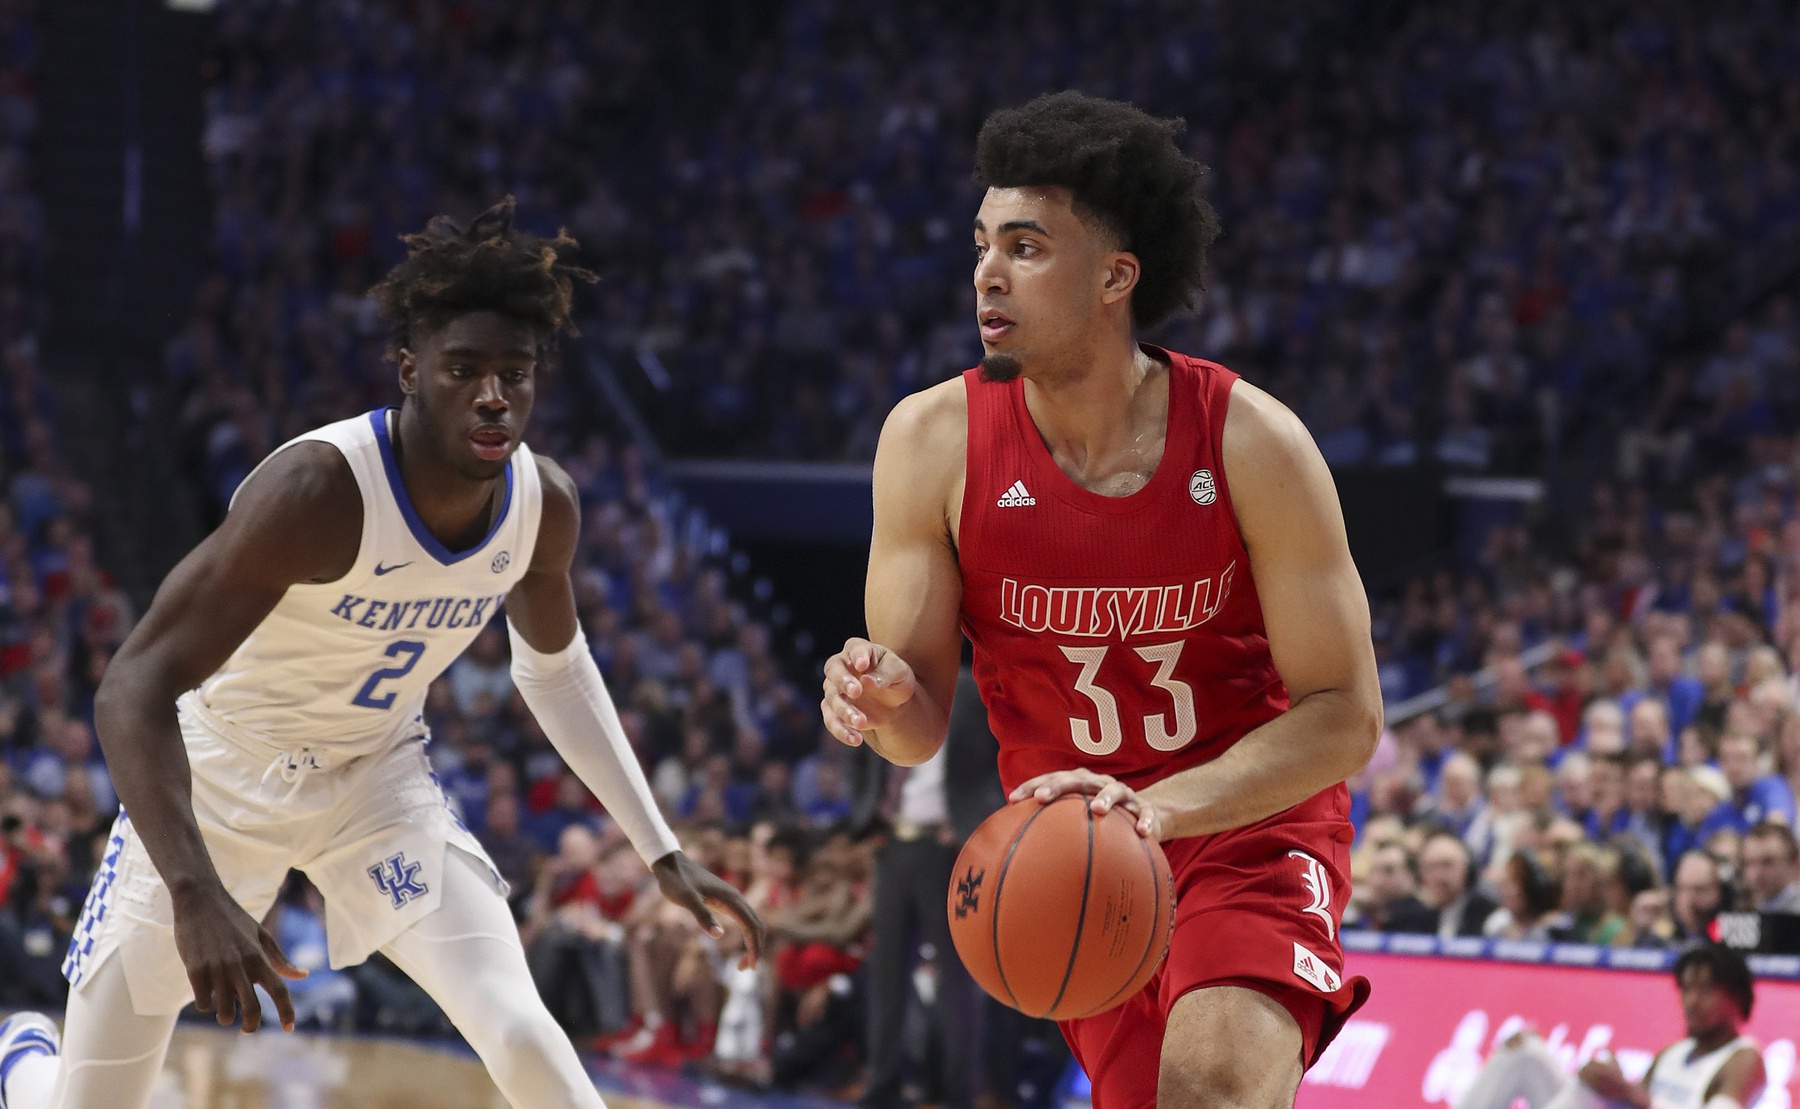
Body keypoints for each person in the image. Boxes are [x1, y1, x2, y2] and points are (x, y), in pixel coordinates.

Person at [0, 199, 762, 1109]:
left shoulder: (543, 505)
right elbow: (130, 685)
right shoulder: (318, 489)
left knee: (521, 1028)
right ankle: (24, 1062)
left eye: (515, 373)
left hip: (375, 782)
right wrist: (194, 889)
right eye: (463, 369)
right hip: (217, 782)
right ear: (410, 371)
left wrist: (661, 849)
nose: (493, 395)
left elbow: (556, 672)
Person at [819, 92, 1378, 1108]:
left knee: (1211, 1088)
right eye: (983, 244)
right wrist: (880, 696)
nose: (988, 272)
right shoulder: (930, 441)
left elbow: (1346, 715)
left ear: (1116, 276)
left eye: (1026, 247)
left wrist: (1160, 808)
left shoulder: (1253, 441)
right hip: (1075, 857)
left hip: (1248, 824)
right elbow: (915, 732)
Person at [1452, 945, 1765, 1109]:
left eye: (1706, 991)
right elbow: (1637, 1101)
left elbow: (1640, 1100)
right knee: (1525, 1052)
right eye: (1686, 989)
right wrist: (1617, 1085)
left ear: (1737, 997)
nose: (1692, 1002)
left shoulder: (1743, 1058)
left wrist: (1627, 1092)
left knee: (1592, 1090)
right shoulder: (1675, 1051)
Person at [1739, 821, 1800, 913]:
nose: (1757, 873)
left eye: (1767, 862)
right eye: (1750, 863)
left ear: (1793, 863)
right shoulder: (1745, 910)